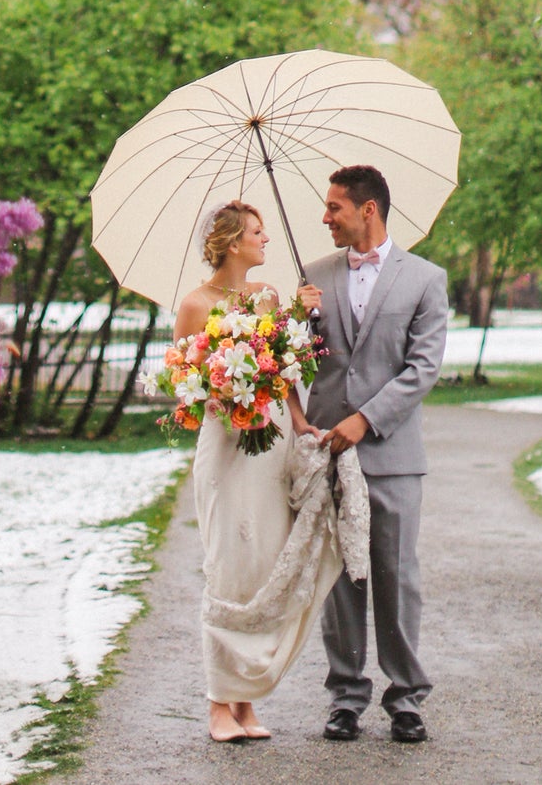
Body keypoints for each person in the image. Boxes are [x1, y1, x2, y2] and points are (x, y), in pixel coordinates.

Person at [298, 162, 447, 745]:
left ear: (369, 209)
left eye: (334, 206)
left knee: (395, 575)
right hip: (329, 450)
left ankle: (406, 699)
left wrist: (367, 419)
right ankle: (345, 698)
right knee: (340, 580)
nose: (325, 217)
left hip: (393, 454)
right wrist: (293, 321)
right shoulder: (313, 276)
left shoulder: (425, 279)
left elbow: (422, 368)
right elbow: (298, 366)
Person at [174, 200, 324, 744]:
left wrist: (302, 422)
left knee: (262, 565)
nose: (267, 240)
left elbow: (285, 372)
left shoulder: (267, 299)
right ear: (233, 242)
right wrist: (228, 387)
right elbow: (184, 390)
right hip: (227, 445)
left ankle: (245, 701)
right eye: (258, 233)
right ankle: (218, 703)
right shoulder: (194, 306)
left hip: (274, 439)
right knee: (228, 566)